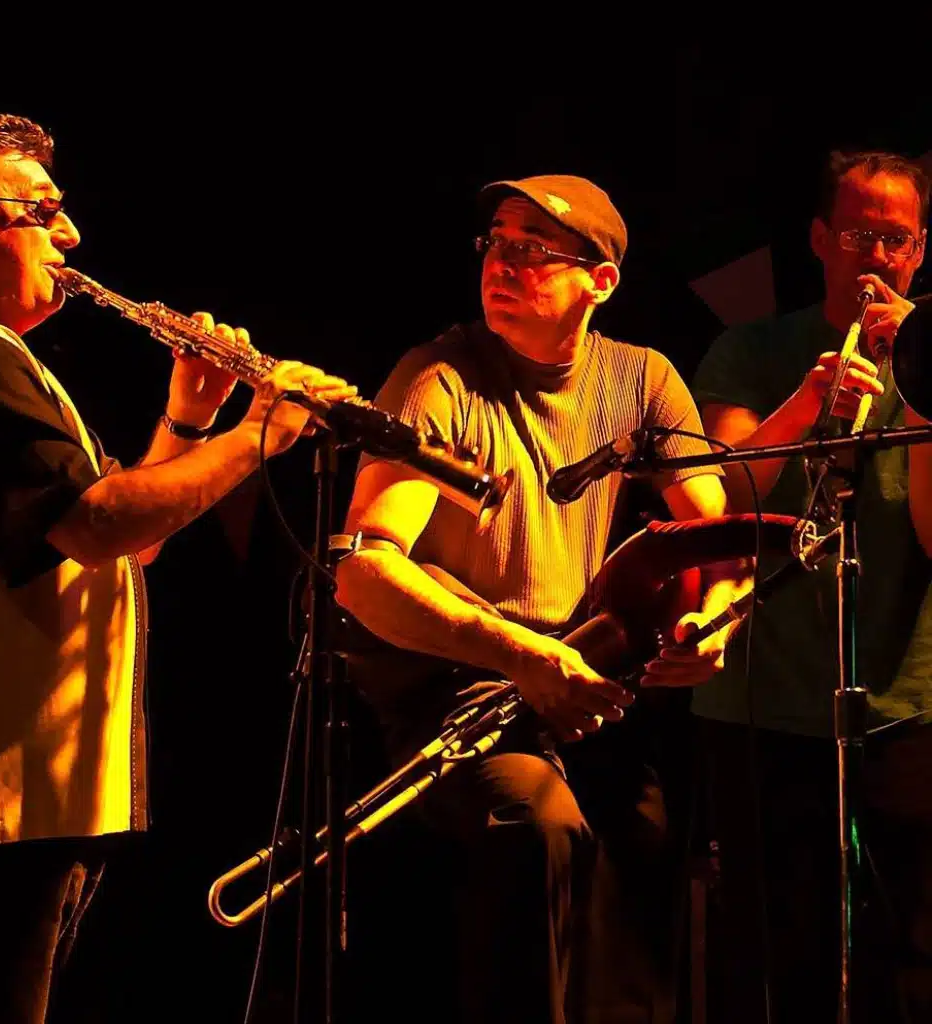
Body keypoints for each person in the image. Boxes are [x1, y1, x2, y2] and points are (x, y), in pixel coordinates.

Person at [0, 113, 355, 1023]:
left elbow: (128, 535)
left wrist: (189, 419)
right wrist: (263, 431)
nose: (70, 236)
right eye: (41, 212)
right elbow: (95, 525)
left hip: (42, 793)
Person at [334, 173, 749, 1024]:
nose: (501, 262)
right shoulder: (438, 377)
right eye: (495, 241)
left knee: (646, 834)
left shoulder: (641, 378)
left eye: (532, 249)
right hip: (461, 685)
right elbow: (366, 571)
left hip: (578, 683)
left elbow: (717, 535)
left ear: (601, 281)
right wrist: (520, 654)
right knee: (540, 823)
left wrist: (716, 621)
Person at [691, 149, 932, 1023]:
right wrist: (806, 403)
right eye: (859, 235)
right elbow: (720, 494)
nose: (877, 258)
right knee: (770, 950)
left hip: (903, 703)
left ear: (920, 251)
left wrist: (918, 384)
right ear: (821, 240)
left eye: (895, 239)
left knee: (900, 950)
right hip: (764, 696)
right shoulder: (751, 350)